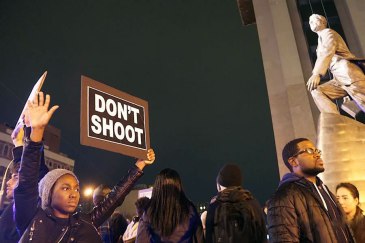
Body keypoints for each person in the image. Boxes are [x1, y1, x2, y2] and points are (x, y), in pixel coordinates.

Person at [14, 92, 155, 242]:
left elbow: (115, 198)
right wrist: (36, 131)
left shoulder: (87, 222)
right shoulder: (31, 218)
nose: (74, 194)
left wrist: (139, 165)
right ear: (48, 192)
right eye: (66, 188)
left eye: (76, 188)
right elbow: (27, 179)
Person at [267, 138, 354, 243]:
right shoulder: (284, 196)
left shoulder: (325, 190)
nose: (317, 155)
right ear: (293, 161)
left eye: (317, 151)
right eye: (309, 151)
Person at [306, 14, 365, 114]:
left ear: (323, 22)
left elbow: (327, 52)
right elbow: (332, 63)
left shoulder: (329, 33)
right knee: (317, 91)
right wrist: (347, 93)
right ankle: (334, 121)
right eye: (310, 22)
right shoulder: (319, 42)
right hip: (339, 79)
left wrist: (317, 73)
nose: (311, 23)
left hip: (349, 74)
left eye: (314, 20)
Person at [0, 124, 49, 243]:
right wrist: (17, 144)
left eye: (15, 177)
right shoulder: (11, 208)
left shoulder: (28, 210)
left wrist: (34, 129)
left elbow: (34, 168)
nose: (8, 182)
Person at [136, 168, 204, 243]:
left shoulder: (149, 211)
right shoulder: (189, 209)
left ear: (157, 187)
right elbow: (199, 238)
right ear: (179, 186)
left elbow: (141, 240)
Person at [205, 164, 267, 243]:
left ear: (220, 184)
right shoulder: (253, 204)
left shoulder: (214, 206)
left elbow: (209, 239)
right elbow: (262, 236)